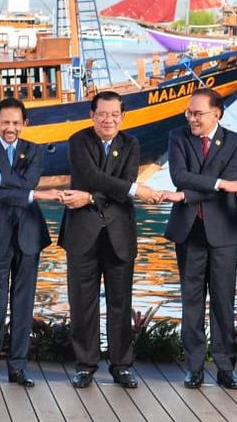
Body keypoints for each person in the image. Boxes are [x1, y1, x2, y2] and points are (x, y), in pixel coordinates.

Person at [56, 91, 162, 389]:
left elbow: (112, 188)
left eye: (114, 114)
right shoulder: (78, 140)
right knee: (82, 303)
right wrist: (133, 189)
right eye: (102, 114)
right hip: (82, 235)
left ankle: (122, 365)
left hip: (119, 234)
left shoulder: (131, 144)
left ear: (122, 116)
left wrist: (92, 197)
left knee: (120, 303)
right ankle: (85, 364)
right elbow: (90, 176)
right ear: (92, 115)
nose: (108, 119)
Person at [0, 99, 57, 388]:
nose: (11, 127)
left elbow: (28, 183)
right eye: (5, 122)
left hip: (29, 235)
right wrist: (26, 192)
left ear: (25, 124)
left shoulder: (34, 150)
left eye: (16, 122)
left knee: (23, 303)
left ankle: (18, 368)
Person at [162, 88, 237, 390]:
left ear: (217, 114)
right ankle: (194, 367)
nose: (192, 118)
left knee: (223, 300)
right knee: (192, 301)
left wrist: (187, 195)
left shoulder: (236, 142)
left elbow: (227, 183)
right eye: (189, 112)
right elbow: (179, 176)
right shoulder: (178, 137)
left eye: (198, 113)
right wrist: (219, 183)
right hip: (189, 231)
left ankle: (226, 367)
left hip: (224, 232)